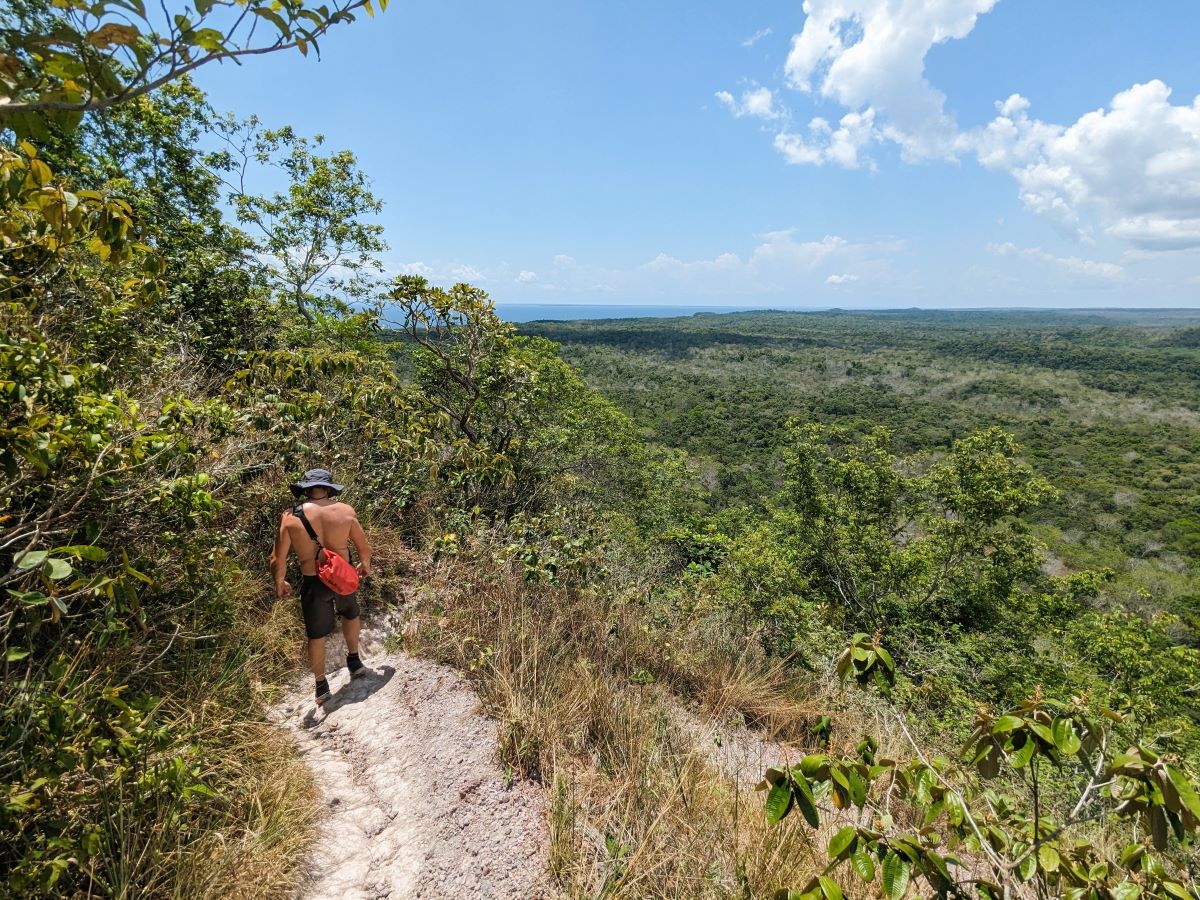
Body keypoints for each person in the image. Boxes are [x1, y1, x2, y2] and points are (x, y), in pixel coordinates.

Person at [271, 468, 373, 705]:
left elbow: (278, 558)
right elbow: (364, 547)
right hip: (343, 576)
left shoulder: (290, 517)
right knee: (351, 614)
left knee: (315, 634)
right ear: (328, 488)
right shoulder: (345, 511)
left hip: (313, 581)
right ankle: (355, 662)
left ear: (305, 489)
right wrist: (364, 564)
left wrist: (280, 581)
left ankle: (321, 686)